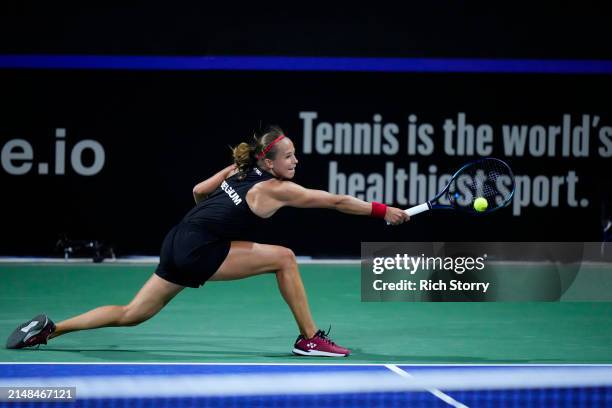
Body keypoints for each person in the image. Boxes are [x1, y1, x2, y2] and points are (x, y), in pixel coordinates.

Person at [6, 126, 409, 356]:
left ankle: (50, 329)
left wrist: (226, 183)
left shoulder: (239, 172)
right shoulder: (275, 188)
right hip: (197, 249)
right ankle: (309, 339)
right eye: (288, 157)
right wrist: (383, 210)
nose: (295, 162)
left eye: (294, 156)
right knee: (285, 258)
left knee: (133, 313)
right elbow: (335, 201)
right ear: (268, 163)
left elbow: (198, 192)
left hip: (178, 238)